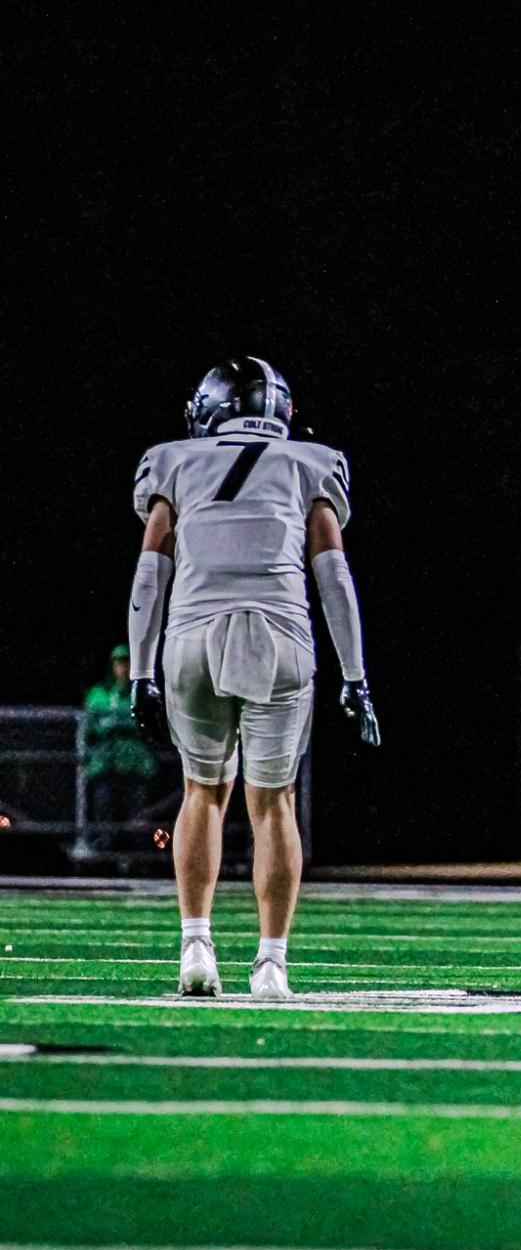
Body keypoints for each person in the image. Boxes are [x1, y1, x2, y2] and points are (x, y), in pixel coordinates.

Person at [126, 356, 381, 1000]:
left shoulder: (175, 460)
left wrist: (141, 667)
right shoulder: (311, 463)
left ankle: (196, 948)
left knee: (201, 792)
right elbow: (333, 575)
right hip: (281, 637)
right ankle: (270, 964)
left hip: (190, 636)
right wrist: (356, 675)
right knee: (274, 802)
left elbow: (150, 570)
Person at [82, 644, 160, 833]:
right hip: (105, 765)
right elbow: (90, 728)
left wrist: (115, 722)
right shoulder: (98, 695)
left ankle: (135, 857)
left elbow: (148, 725)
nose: (123, 668)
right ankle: (104, 852)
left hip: (135, 765)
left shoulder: (141, 694)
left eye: (127, 663)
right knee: (104, 810)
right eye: (119, 663)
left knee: (137, 815)